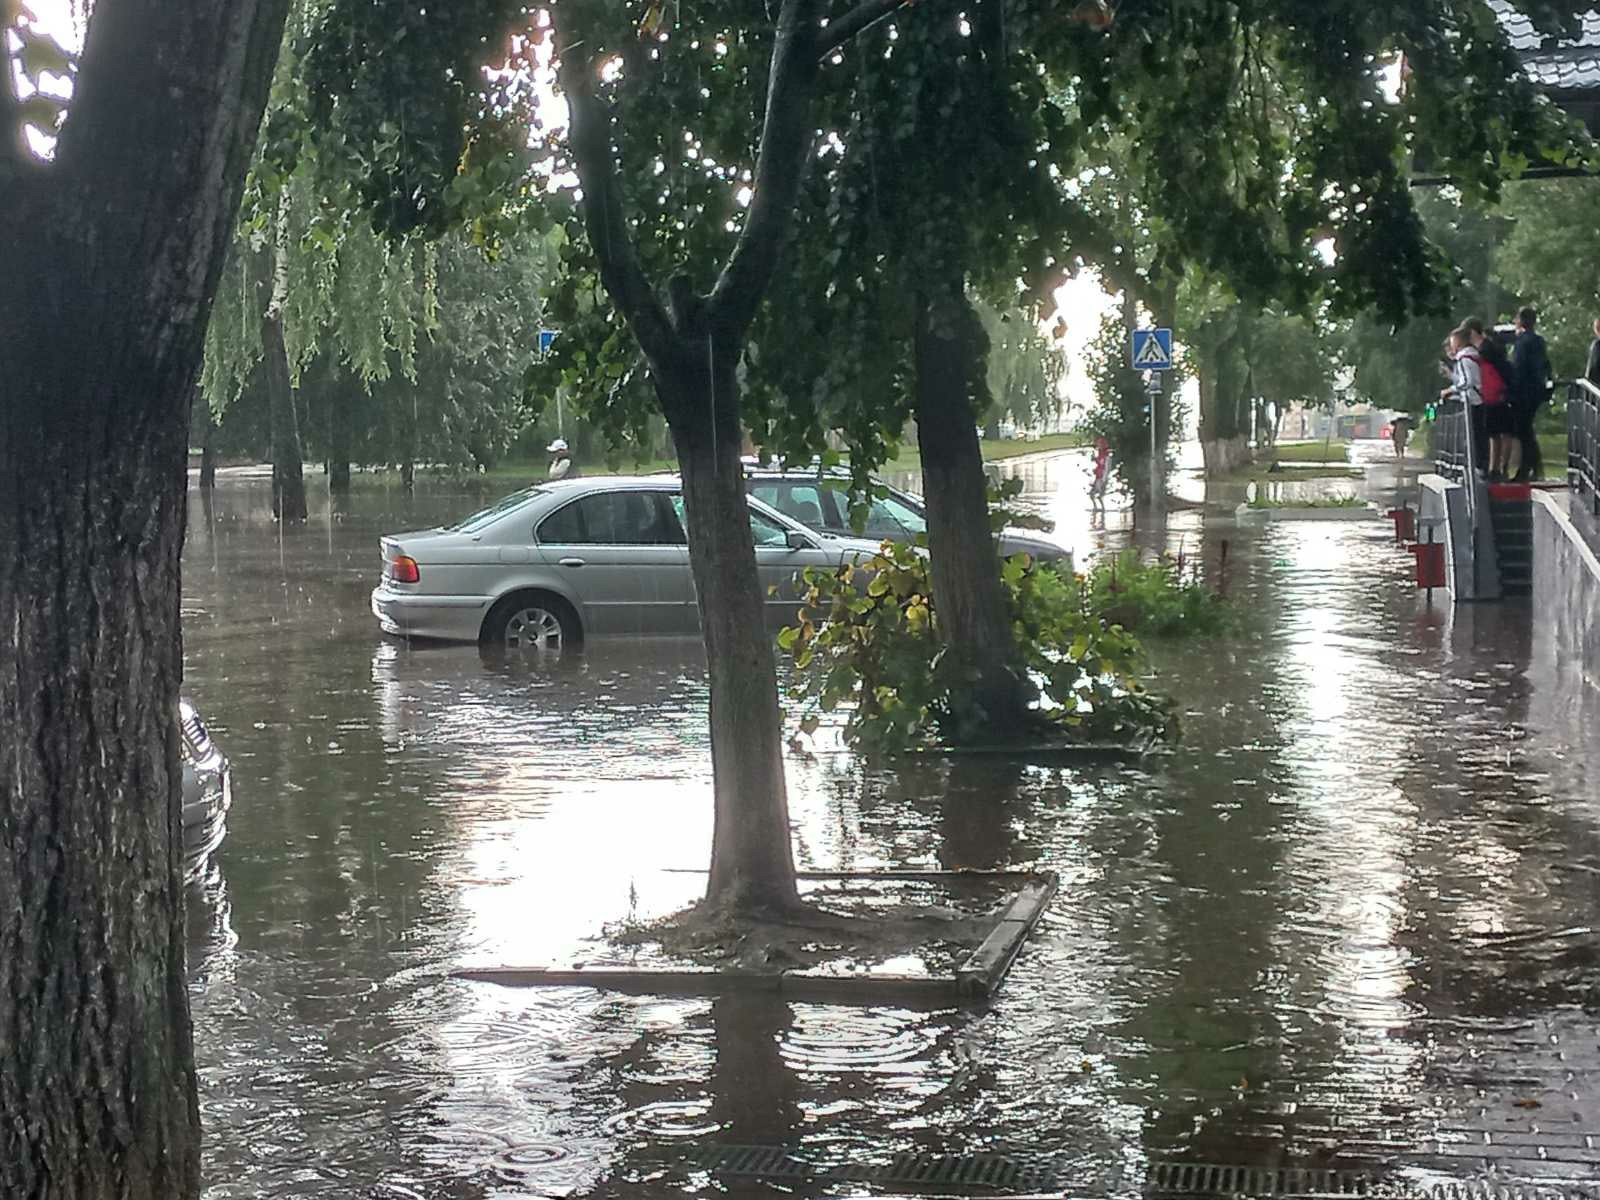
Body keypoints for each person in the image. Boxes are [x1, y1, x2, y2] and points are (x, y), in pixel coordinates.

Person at [1461, 318, 1514, 480]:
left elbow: (1496, 370)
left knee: (1498, 432)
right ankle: (1495, 468)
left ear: (1472, 332)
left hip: (1495, 394)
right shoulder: (1487, 347)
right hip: (1497, 393)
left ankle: (1497, 468)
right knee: (1495, 433)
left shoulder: (1485, 349)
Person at [1510, 306, 1551, 482]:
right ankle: (1533, 468)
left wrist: (1511, 390)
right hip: (1536, 391)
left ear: (1520, 321)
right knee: (1527, 430)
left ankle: (1527, 469)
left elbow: (1519, 369)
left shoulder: (1522, 342)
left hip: (1523, 392)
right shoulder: (1539, 341)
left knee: (1523, 431)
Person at [1440, 326, 1486, 477]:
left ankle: (1478, 468)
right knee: (1478, 435)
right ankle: (1478, 466)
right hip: (1478, 399)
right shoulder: (1473, 356)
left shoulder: (1464, 358)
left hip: (1473, 401)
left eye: (1453, 341)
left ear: (1459, 341)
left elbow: (1467, 381)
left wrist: (1450, 390)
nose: (1451, 345)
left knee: (1474, 436)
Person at [1088, 436, 1113, 507]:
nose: (1098, 445)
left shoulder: (1107, 456)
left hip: (1102, 478)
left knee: (1099, 495)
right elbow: (1099, 462)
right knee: (1092, 495)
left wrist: (1104, 480)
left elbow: (1107, 468)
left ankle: (1102, 510)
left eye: (1099, 444)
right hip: (1098, 477)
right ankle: (1097, 508)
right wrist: (1094, 459)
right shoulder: (1100, 454)